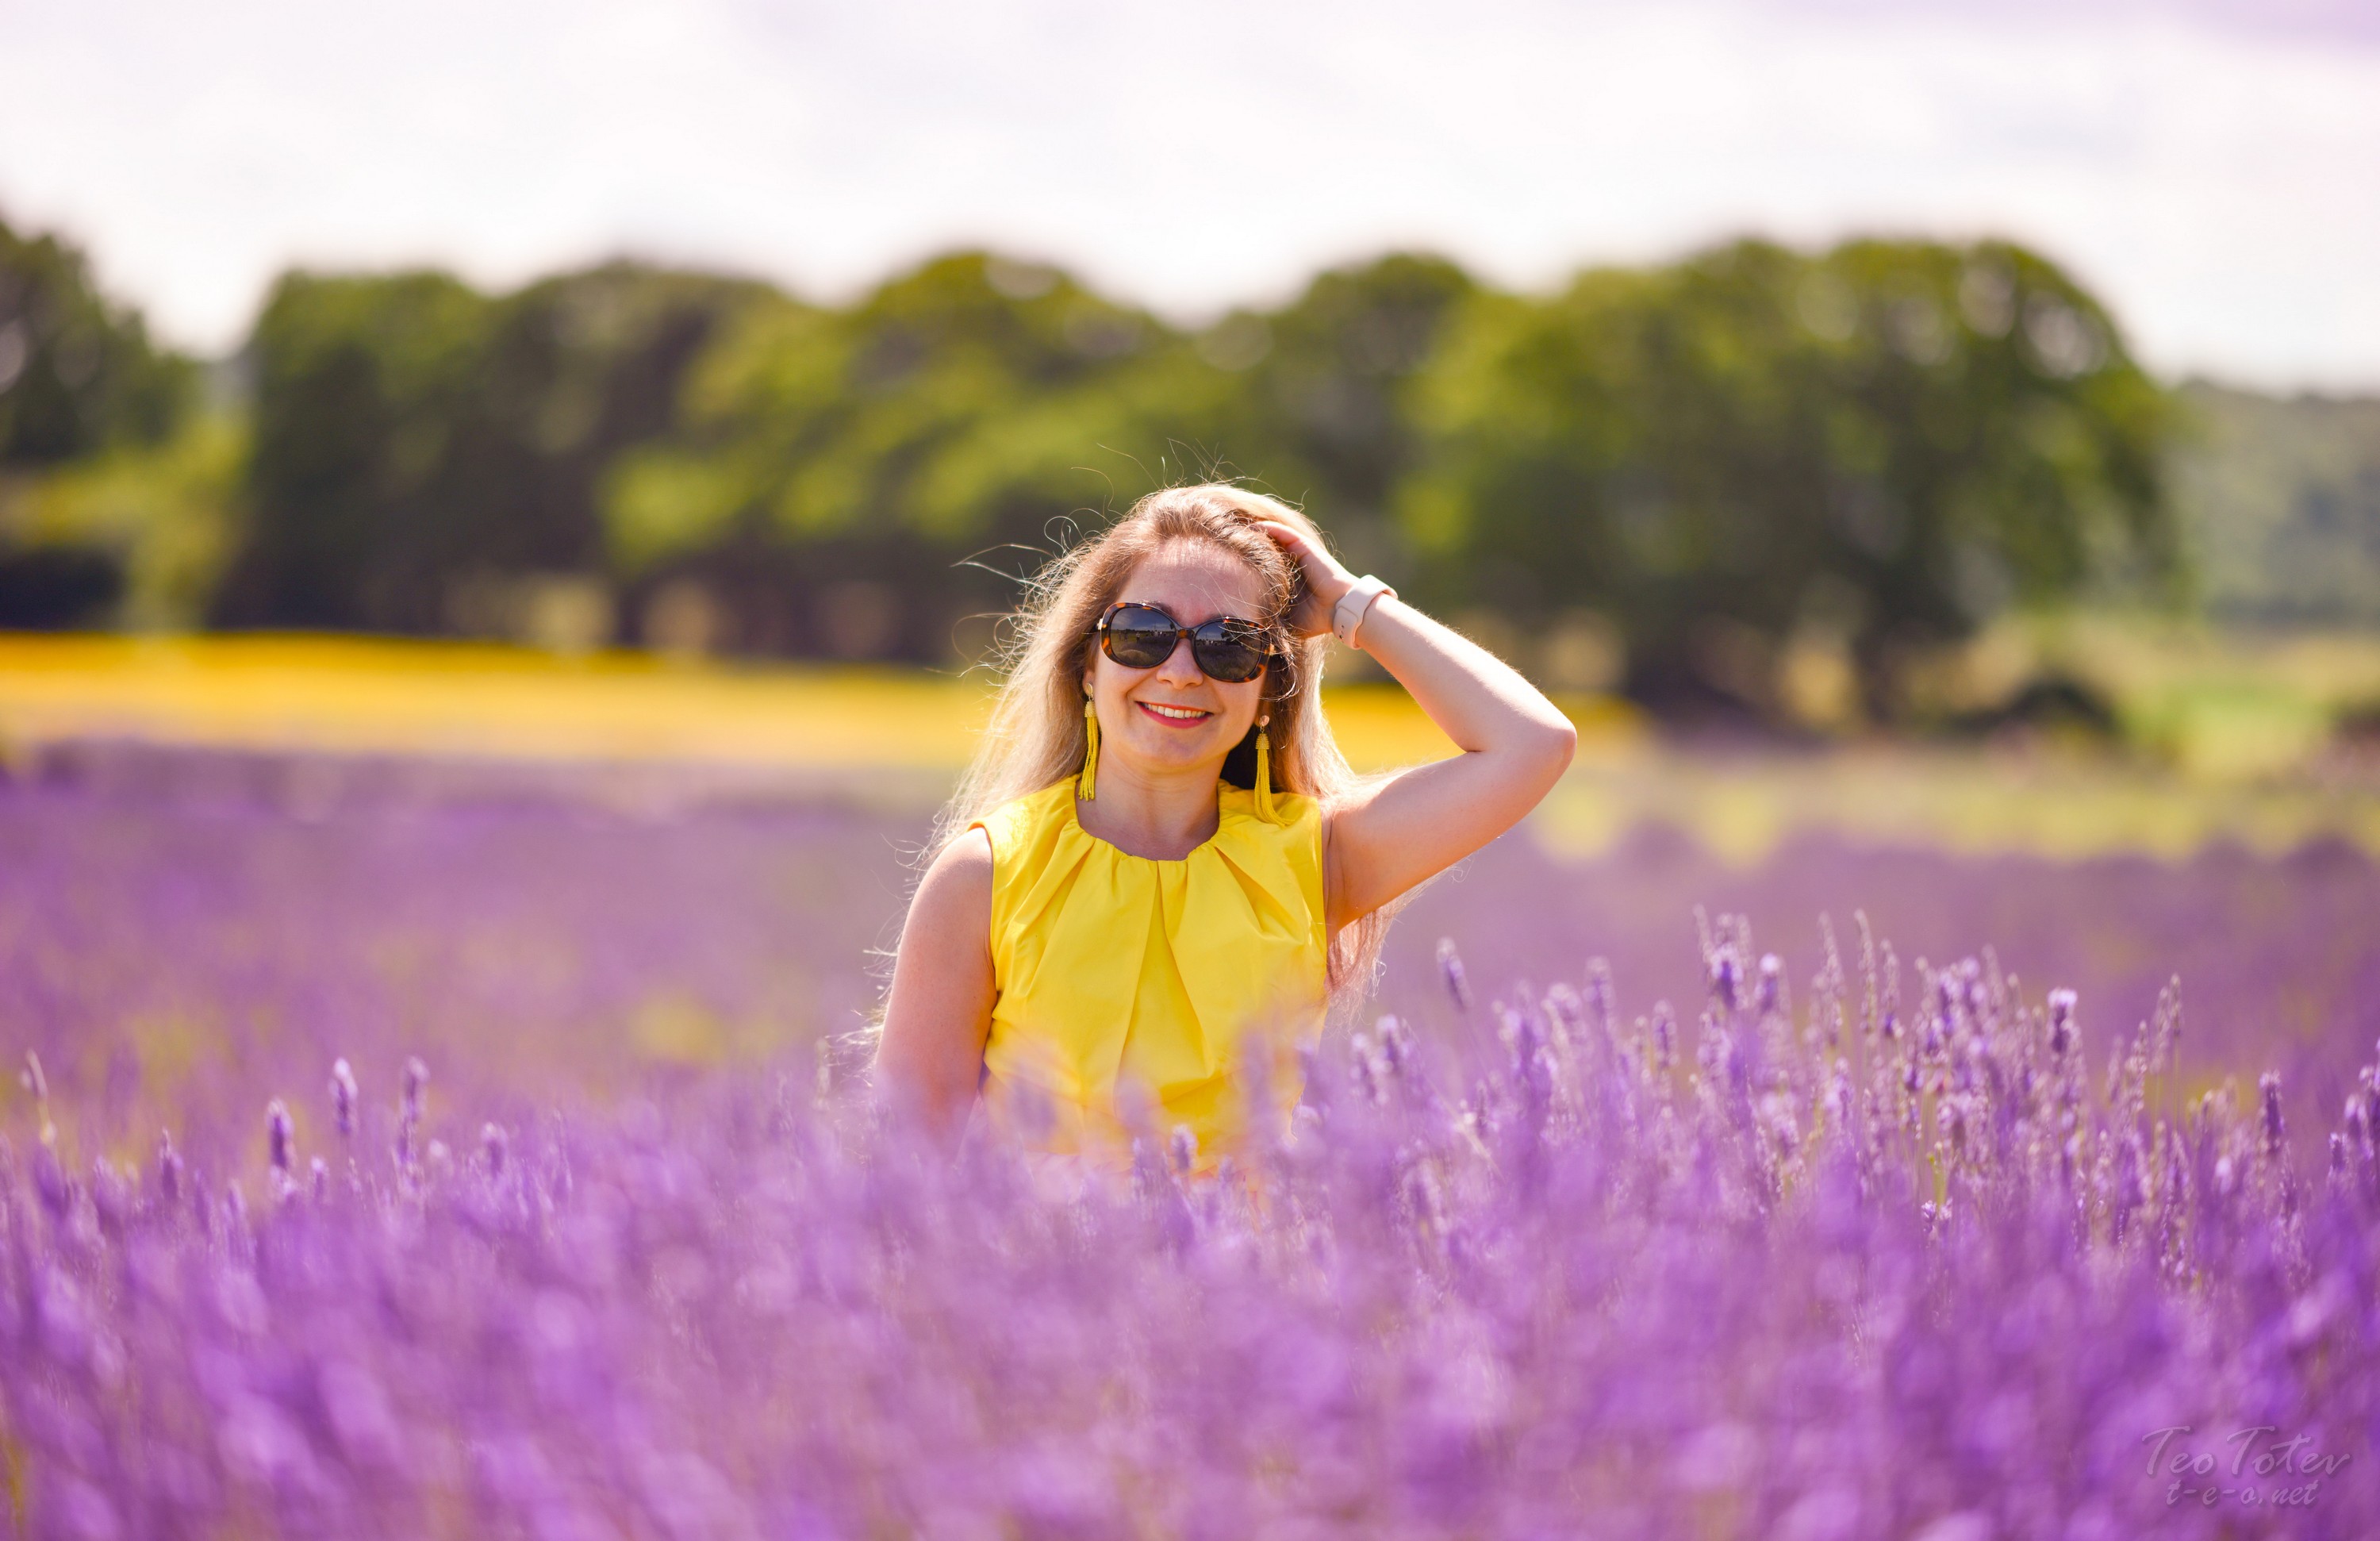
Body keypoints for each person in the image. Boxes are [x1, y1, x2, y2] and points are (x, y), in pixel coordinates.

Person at [873, 483, 1575, 1178]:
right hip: (1035, 1283)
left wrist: (1347, 606)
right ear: (1089, 665)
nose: (1180, 673)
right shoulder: (988, 874)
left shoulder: (1313, 858)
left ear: (1267, 691)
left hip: (1243, 1287)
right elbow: (907, 1165)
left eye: (1228, 647)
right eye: (1142, 634)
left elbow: (1533, 745)